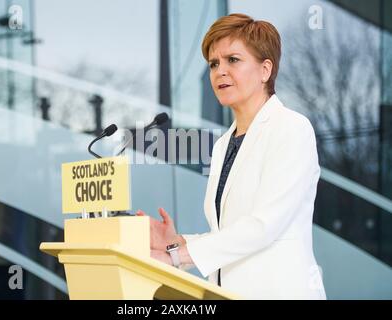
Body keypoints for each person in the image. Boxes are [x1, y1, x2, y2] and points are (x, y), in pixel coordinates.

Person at [136, 13, 326, 300]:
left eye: (233, 60)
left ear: (265, 70)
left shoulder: (291, 128)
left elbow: (263, 226)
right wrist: (175, 243)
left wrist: (177, 257)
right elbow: (229, 233)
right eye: (214, 63)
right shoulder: (225, 143)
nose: (219, 71)